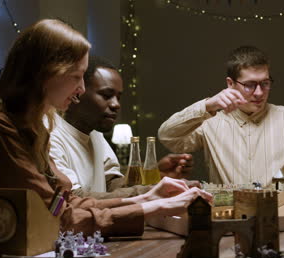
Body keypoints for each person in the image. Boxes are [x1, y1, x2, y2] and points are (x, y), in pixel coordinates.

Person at [0, 19, 211, 249]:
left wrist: (147, 197)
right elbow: (59, 218)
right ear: (46, 73)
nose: (80, 88)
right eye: (76, 76)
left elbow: (66, 202)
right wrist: (153, 206)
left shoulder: (32, 127)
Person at [158, 46, 284, 188]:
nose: (259, 92)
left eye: (265, 83)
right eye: (250, 85)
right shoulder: (210, 122)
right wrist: (207, 105)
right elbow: (168, 137)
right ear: (230, 84)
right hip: (230, 217)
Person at [49, 55, 195, 199]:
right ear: (76, 93)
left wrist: (157, 178)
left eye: (118, 97)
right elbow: (74, 198)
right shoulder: (50, 134)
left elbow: (111, 184)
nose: (116, 105)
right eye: (106, 95)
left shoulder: (95, 135)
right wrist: (149, 192)